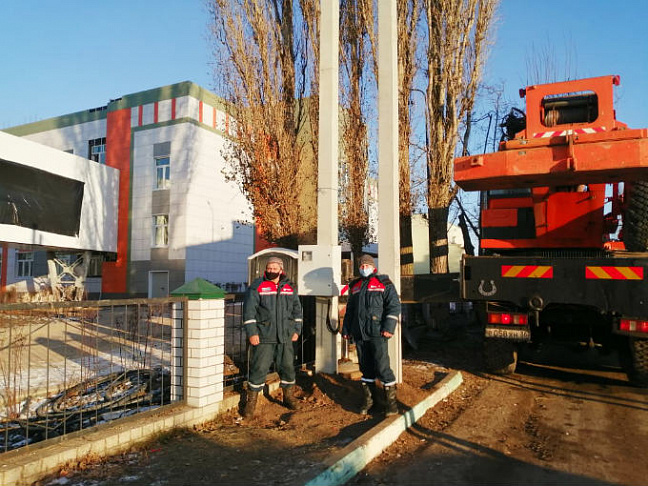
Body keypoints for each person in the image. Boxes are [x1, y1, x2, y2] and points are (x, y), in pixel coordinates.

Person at [242, 256, 303, 418]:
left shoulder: (289, 287)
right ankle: (251, 403)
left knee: (287, 367)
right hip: (264, 336)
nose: (271, 271)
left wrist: (296, 330)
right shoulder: (257, 287)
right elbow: (249, 312)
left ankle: (288, 397)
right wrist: (252, 333)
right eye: (269, 268)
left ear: (281, 270)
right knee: (259, 368)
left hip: (285, 337)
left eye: (275, 268)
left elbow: (297, 311)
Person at [342, 254, 401, 416]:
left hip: (377, 332)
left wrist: (389, 327)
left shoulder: (384, 283)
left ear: (373, 267)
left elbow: (394, 306)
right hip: (360, 334)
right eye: (361, 266)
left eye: (367, 265)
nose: (364, 268)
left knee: (382, 367)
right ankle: (370, 401)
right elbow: (350, 310)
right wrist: (346, 329)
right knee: (365, 367)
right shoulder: (355, 286)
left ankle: (391, 404)